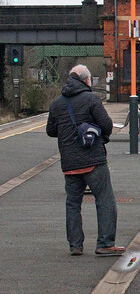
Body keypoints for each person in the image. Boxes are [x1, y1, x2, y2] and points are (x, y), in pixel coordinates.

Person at [46, 65, 125, 257]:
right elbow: (106, 125)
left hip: (70, 164)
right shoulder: (91, 99)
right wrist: (97, 133)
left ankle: (75, 246)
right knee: (105, 200)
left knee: (73, 203)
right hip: (93, 160)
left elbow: (51, 131)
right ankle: (105, 243)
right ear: (87, 80)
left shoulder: (57, 103)